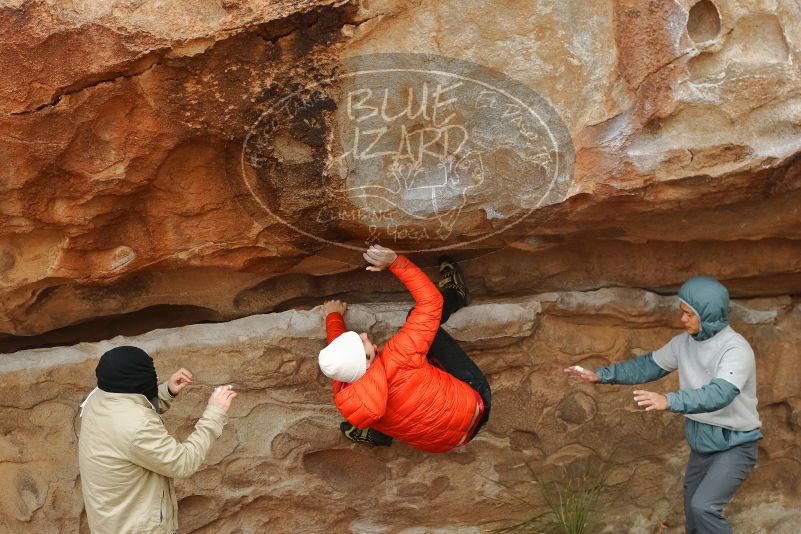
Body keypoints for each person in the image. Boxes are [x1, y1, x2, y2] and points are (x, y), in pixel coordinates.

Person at [564, 276, 762, 534]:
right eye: (682, 312)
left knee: (705, 507)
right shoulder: (684, 343)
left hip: (735, 444)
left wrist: (669, 400)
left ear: (709, 313)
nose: (683, 319)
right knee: (693, 513)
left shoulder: (735, 350)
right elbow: (648, 365)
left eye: (689, 314)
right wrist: (600, 375)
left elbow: (719, 394)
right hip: (702, 443)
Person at [318, 244, 491, 453]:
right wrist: (395, 262)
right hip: (475, 407)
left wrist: (333, 316)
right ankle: (457, 294)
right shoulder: (400, 356)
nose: (363, 335)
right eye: (361, 341)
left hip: (441, 444)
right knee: (416, 319)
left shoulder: (344, 391)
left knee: (376, 409)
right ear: (365, 359)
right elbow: (431, 303)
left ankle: (378, 435)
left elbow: (339, 355)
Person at [78, 345, 237, 534]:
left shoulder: (99, 396)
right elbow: (183, 463)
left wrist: (167, 391)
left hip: (112, 521)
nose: (154, 379)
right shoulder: (135, 425)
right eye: (151, 377)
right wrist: (214, 414)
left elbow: (131, 410)